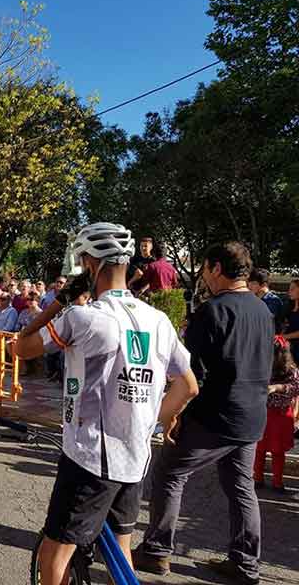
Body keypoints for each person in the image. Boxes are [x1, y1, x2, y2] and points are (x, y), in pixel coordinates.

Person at [14, 222, 198, 585]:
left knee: (56, 551)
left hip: (89, 456)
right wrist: (155, 422)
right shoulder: (159, 320)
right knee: (120, 550)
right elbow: (188, 387)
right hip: (135, 453)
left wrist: (60, 302)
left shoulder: (83, 317)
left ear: (89, 263)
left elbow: (21, 346)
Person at [133, 241, 274, 585]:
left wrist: (174, 414)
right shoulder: (263, 310)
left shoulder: (212, 311)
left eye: (204, 270)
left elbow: (191, 375)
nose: (203, 278)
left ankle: (156, 550)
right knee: (241, 488)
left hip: (215, 414)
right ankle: (245, 564)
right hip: (251, 414)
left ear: (215, 268)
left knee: (169, 472)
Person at [253, 335, 299, 493]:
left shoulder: (291, 371)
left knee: (276, 451)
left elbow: (295, 388)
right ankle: (258, 479)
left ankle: (276, 482)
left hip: (280, 415)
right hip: (266, 413)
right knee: (260, 449)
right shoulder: (261, 366)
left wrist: (277, 387)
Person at [283, 279, 299, 365]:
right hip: (290, 348)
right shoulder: (289, 306)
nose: (289, 291)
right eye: (289, 289)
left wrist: (283, 336)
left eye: (292, 289)